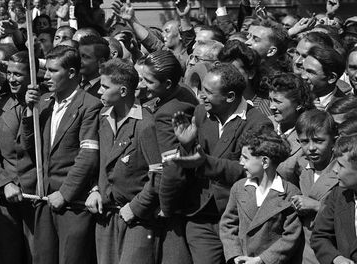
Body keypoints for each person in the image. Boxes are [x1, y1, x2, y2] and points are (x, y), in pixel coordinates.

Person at [171, 63, 270, 264]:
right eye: (202, 89)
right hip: (202, 216)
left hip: (237, 218)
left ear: (230, 97)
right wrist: (187, 144)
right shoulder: (200, 114)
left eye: (208, 92)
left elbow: (251, 170)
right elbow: (191, 159)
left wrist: (207, 163)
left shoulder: (257, 123)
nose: (201, 96)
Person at [23, 45, 101, 264]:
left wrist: (65, 193)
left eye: (53, 71)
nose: (46, 76)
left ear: (72, 73)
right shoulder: (44, 102)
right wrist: (30, 111)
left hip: (73, 204)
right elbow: (30, 147)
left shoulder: (90, 105)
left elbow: (88, 156)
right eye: (46, 69)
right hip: (45, 198)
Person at [85, 59, 160, 264]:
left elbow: (159, 175)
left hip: (137, 220)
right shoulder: (102, 117)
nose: (99, 91)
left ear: (124, 91)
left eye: (105, 87)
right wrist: (94, 190)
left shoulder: (145, 124)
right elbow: (94, 161)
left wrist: (135, 208)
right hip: (106, 216)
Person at [137, 50, 197, 263]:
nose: (142, 85)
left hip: (174, 204)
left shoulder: (166, 113)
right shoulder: (185, 93)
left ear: (169, 84)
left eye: (148, 81)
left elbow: (171, 165)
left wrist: (166, 206)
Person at [0, 51, 37, 264]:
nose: (12, 79)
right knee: (7, 254)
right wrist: (3, 184)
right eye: (9, 73)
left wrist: (33, 109)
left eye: (19, 74)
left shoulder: (48, 103)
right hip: (7, 196)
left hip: (38, 196)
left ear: (32, 76)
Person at [219, 126, 303, 264]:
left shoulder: (289, 193)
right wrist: (235, 255)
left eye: (245, 158)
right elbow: (227, 225)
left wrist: (262, 260)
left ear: (264, 162)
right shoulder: (239, 188)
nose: (241, 163)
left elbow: (291, 236)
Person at [291, 109, 338, 264]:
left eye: (318, 141)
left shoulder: (343, 171)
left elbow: (350, 215)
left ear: (334, 141)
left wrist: (317, 206)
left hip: (332, 252)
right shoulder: (299, 166)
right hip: (302, 252)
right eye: (304, 141)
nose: (311, 148)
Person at [311, 134, 357, 264]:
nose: (335, 170)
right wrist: (335, 258)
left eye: (341, 165)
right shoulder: (338, 195)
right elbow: (320, 236)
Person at [268, 73, 314, 186]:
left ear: (298, 104)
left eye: (278, 102)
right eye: (270, 100)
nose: (271, 107)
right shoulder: (264, 124)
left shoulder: (309, 135)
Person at [301, 45, 346, 111]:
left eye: (310, 72)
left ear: (331, 78)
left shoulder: (345, 109)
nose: (303, 76)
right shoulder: (292, 95)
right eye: (303, 69)